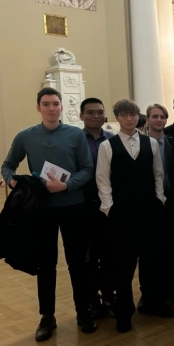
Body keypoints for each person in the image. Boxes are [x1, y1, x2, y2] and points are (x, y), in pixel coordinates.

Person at [1, 87, 95, 341]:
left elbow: (87, 169)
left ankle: (83, 311)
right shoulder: (26, 136)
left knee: (78, 262)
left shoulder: (76, 135)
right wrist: (12, 181)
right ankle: (47, 316)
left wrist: (66, 186)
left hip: (73, 205)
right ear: (38, 107)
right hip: (41, 208)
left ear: (62, 106)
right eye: (46, 104)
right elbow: (8, 165)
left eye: (55, 103)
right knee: (45, 264)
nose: (51, 108)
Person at [96, 99, 174, 333]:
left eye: (132, 114)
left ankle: (153, 302)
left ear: (138, 116)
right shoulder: (107, 146)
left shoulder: (151, 143)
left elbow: (158, 174)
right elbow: (103, 179)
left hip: (150, 210)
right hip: (122, 212)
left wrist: (159, 200)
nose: (128, 118)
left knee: (152, 260)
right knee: (124, 264)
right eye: (124, 114)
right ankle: (124, 312)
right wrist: (109, 208)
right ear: (117, 117)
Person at [146, 104, 174, 305]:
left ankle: (173, 288)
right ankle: (152, 294)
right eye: (155, 116)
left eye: (162, 117)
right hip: (149, 202)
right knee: (152, 249)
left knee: (173, 246)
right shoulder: (140, 144)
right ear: (148, 119)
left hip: (172, 200)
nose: (159, 120)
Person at [80, 97, 115, 319]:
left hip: (109, 207)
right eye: (90, 112)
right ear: (81, 115)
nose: (96, 116)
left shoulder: (112, 140)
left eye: (100, 112)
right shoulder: (76, 140)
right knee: (88, 257)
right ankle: (92, 300)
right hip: (84, 207)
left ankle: (109, 296)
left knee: (110, 255)